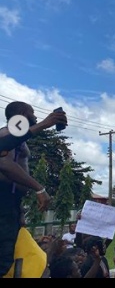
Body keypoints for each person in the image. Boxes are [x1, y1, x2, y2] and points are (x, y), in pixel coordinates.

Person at [0, 103, 67, 277]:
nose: (35, 117)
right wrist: (39, 188)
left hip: (10, 205)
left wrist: (19, 209)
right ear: (22, 114)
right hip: (3, 204)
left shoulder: (16, 137)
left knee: (14, 256)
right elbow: (4, 164)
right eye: (33, 113)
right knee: (4, 260)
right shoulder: (6, 133)